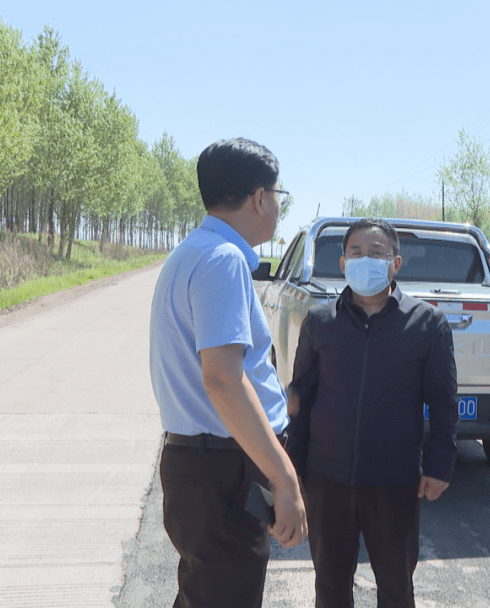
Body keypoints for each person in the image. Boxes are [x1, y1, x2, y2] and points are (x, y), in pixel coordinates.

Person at [149, 137, 307, 608]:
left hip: (202, 466)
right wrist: (285, 479)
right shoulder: (223, 260)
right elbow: (223, 380)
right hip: (221, 470)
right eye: (279, 196)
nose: (278, 207)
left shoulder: (193, 252)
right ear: (260, 197)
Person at [286, 217, 458, 608]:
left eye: (377, 253)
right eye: (357, 253)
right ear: (343, 263)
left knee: (396, 588)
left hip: (394, 480)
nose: (367, 260)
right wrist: (293, 466)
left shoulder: (426, 324)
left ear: (396, 264)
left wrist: (439, 465)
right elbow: (301, 397)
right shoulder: (320, 321)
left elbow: (444, 401)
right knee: (329, 586)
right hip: (327, 478)